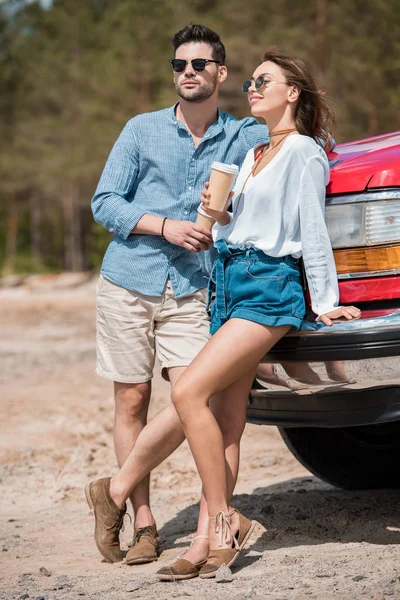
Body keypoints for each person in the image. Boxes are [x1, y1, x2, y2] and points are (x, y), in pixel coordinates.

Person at [168, 48, 361, 578]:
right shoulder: (255, 154)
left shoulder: (303, 151)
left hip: (269, 289)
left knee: (187, 392)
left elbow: (310, 231)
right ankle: (209, 539)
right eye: (250, 81)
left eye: (264, 81)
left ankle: (226, 518)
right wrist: (222, 213)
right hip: (228, 283)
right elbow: (239, 230)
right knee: (228, 424)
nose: (251, 88)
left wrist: (325, 303)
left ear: (292, 93)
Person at [86, 23, 268, 569]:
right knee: (132, 401)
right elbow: (104, 202)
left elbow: (297, 146)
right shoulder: (141, 130)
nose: (188, 72)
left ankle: (122, 492)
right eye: (180, 65)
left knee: (199, 401)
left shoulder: (243, 136)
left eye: (199, 64)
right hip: (128, 280)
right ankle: (143, 524)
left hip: (194, 289)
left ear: (221, 72)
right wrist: (164, 226)